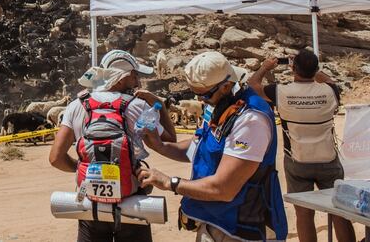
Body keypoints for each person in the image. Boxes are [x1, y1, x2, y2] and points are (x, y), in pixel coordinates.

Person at [138, 51, 287, 242]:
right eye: (196, 95)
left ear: (226, 86)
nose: (200, 101)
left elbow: (224, 189)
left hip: (241, 229)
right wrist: (160, 146)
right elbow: (198, 147)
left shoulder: (251, 120)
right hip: (215, 221)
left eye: (205, 95)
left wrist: (170, 182)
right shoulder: (219, 104)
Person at [49, 49, 177, 242]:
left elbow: (55, 158)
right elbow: (169, 141)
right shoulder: (138, 106)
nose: (137, 82)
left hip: (90, 201)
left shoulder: (78, 105)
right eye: (134, 76)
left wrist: (86, 169)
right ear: (120, 79)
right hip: (131, 200)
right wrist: (158, 104)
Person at [249, 50, 355, 242]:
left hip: (297, 160)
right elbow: (328, 80)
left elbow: (253, 85)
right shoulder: (331, 91)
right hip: (328, 158)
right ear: (315, 69)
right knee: (341, 212)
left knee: (304, 214)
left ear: (293, 69)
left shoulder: (281, 92)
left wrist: (265, 67)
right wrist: (313, 70)